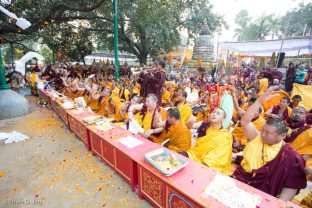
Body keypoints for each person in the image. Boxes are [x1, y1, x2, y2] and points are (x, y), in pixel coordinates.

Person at [232, 86, 307, 201]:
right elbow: (245, 121)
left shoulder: (290, 156)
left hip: (260, 194)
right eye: (262, 130)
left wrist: (279, 204)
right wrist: (260, 100)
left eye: (268, 133)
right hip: (239, 180)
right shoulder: (257, 138)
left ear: (282, 136)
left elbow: (292, 185)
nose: (262, 134)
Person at [180, 108, 232, 175]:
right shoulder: (205, 124)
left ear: (223, 119)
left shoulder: (223, 135)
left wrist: (205, 162)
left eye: (218, 113)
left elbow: (217, 155)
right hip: (195, 154)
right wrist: (190, 123)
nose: (214, 114)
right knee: (179, 156)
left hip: (208, 161)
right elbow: (190, 126)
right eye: (213, 112)